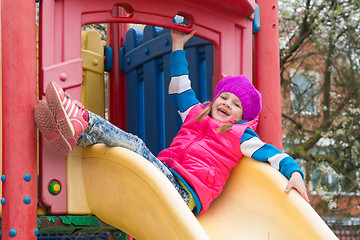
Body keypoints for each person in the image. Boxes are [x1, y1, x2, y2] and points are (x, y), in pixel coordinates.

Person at [34, 27, 309, 215]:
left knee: (139, 147)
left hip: (185, 192)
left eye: (236, 105)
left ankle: (82, 119)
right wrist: (178, 45)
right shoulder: (195, 113)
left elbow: (276, 156)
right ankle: (75, 132)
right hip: (166, 176)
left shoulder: (241, 136)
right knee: (124, 154)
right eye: (224, 97)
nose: (228, 104)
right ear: (215, 100)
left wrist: (296, 174)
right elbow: (180, 86)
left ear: (242, 117)